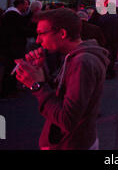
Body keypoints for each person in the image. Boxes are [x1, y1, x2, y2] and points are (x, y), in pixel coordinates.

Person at [14, 8, 109, 150]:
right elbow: (63, 94)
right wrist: (41, 71)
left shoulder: (82, 62)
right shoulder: (74, 56)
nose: (38, 40)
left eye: (41, 33)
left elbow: (67, 120)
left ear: (62, 33)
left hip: (72, 144)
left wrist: (36, 85)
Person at [0, 0, 31, 98]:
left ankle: (9, 89)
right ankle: (8, 91)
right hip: (13, 47)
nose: (27, 7)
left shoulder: (10, 15)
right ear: (20, 5)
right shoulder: (14, 16)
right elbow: (21, 30)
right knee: (11, 68)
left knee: (11, 68)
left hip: (10, 46)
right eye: (26, 4)